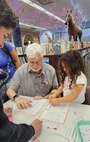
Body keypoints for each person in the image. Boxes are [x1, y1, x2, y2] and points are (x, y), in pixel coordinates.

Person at [7, 43, 58, 109]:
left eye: (38, 62)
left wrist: (45, 98)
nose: (35, 66)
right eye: (32, 62)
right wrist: (17, 98)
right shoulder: (21, 71)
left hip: (46, 104)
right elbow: (10, 90)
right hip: (27, 105)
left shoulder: (51, 70)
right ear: (27, 59)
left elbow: (56, 90)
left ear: (42, 58)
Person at [0, 0, 21, 102]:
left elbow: (17, 61)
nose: (2, 42)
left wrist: (18, 76)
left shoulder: (6, 46)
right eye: (4, 35)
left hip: (10, 80)